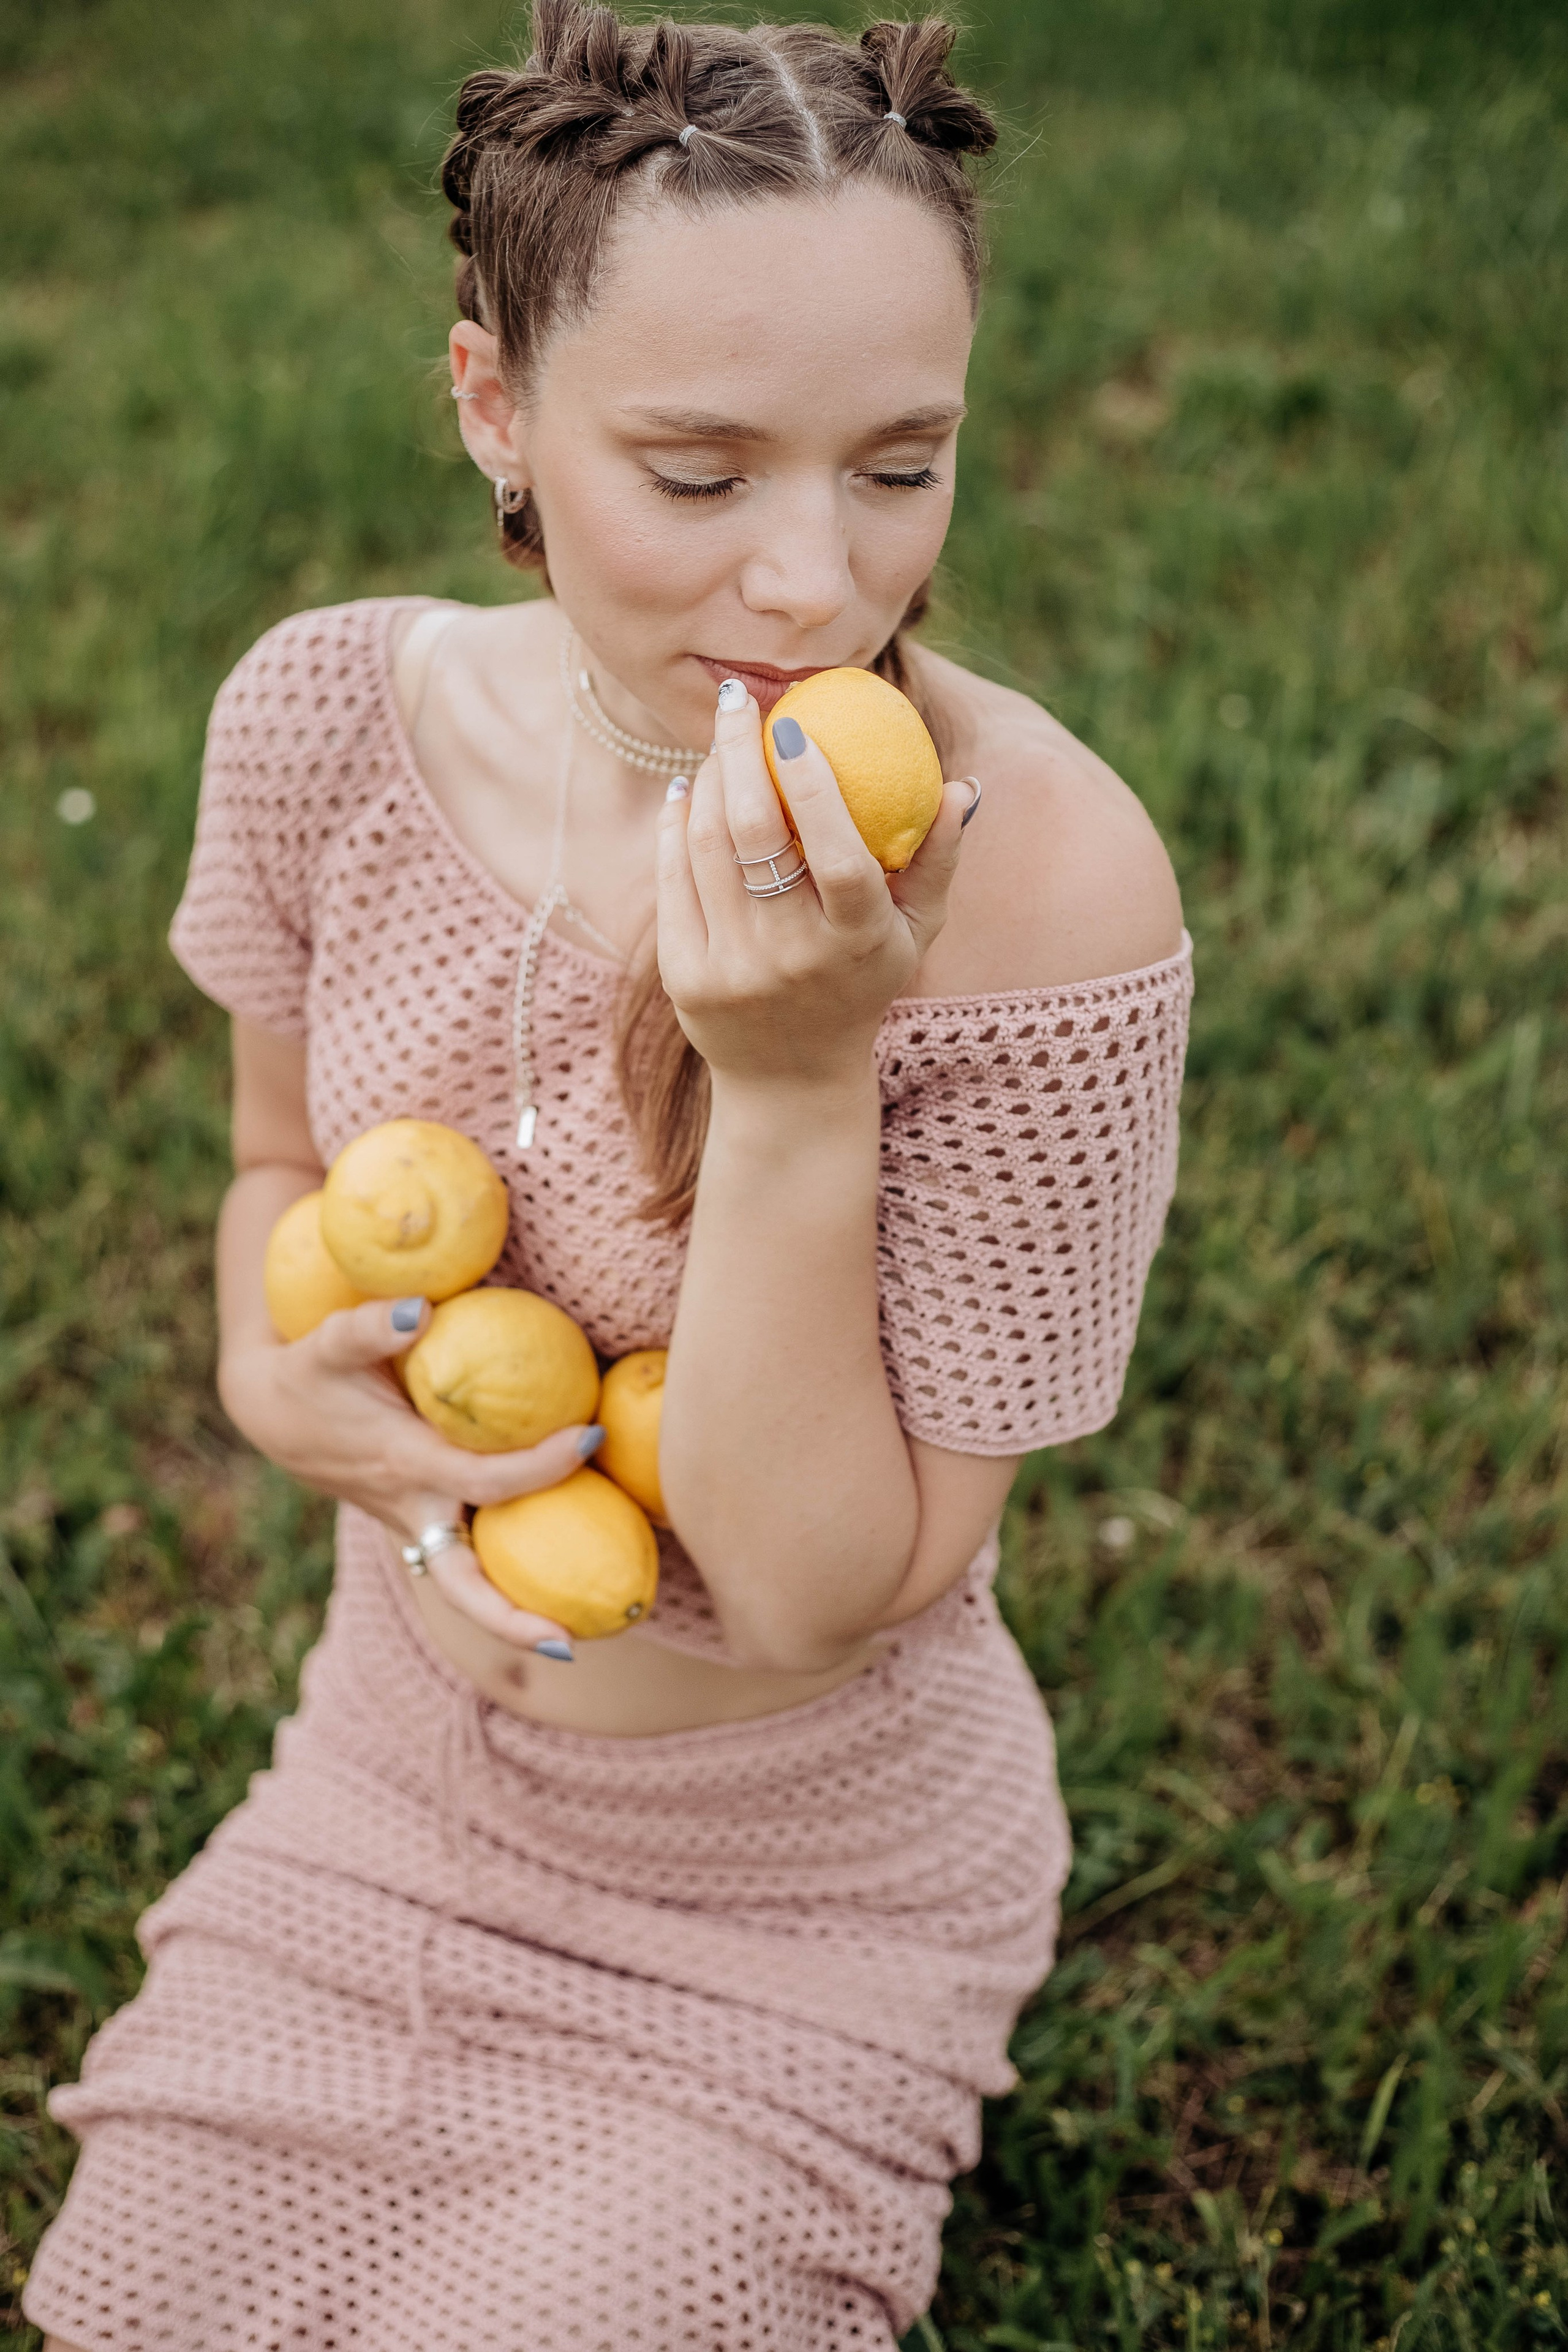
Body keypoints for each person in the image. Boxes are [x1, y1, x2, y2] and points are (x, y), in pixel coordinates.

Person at [27, 6, 1190, 2347]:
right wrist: (279, 1385)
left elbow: (811, 1593)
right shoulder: (329, 722)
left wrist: (789, 1085)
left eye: (898, 467)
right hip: (387, 1785)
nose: (805, 581)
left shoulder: (1042, 887)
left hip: (802, 1893)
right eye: (696, 470)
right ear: (495, 411)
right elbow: (276, 1173)